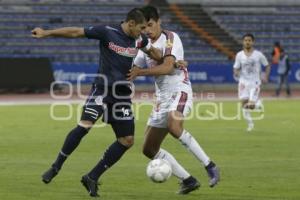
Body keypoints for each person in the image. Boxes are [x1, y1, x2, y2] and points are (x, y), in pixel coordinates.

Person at [31, 8, 161, 197]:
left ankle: (91, 177)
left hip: (122, 95)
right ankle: (56, 167)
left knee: (127, 140)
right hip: (102, 89)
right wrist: (47, 33)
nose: (142, 32)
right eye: (140, 27)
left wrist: (168, 60)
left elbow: (154, 53)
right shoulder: (107, 32)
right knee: (85, 126)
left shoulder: (139, 39)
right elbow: (75, 32)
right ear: (131, 23)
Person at [127, 6, 220, 194]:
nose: (147, 31)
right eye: (143, 28)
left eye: (150, 25)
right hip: (162, 98)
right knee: (149, 149)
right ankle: (188, 180)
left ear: (158, 21)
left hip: (180, 89)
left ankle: (210, 166)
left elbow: (169, 68)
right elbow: (132, 70)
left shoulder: (170, 38)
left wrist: (141, 72)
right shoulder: (144, 46)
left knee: (174, 126)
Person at [233, 33, 271, 132]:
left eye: (249, 40)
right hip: (243, 83)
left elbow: (267, 65)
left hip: (255, 82)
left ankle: (257, 105)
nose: (247, 42)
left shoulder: (258, 55)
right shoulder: (239, 55)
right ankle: (250, 124)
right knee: (244, 105)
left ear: (253, 42)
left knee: (251, 105)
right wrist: (236, 73)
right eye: (245, 40)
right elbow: (236, 67)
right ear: (243, 42)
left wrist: (265, 76)